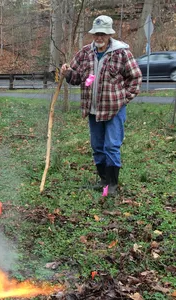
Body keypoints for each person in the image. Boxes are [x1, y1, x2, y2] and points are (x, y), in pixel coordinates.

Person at [61, 15, 142, 196]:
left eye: (103, 34)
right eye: (96, 34)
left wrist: (123, 99)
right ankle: (104, 181)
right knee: (97, 146)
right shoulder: (84, 53)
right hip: (93, 110)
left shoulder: (122, 53)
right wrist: (67, 73)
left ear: (109, 34)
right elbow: (76, 78)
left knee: (112, 145)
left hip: (114, 110)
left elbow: (135, 77)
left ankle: (112, 184)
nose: (99, 38)